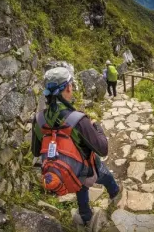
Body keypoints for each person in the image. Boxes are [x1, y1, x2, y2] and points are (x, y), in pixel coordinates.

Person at [31, 67, 119, 225]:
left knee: (79, 185)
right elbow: (103, 149)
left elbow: (36, 150)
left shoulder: (39, 120)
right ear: (68, 87)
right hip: (86, 169)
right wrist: (97, 127)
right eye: (71, 84)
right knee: (107, 177)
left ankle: (85, 216)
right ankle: (115, 196)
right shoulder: (78, 120)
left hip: (65, 171)